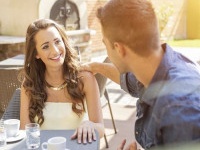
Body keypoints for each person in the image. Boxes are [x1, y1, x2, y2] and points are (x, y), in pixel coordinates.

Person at [81, 0, 200, 149]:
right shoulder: (156, 66)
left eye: (106, 45)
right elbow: (128, 80)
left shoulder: (178, 110)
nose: (107, 53)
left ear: (119, 49)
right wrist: (95, 67)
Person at [19, 18, 104, 144]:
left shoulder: (85, 79)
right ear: (36, 53)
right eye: (46, 46)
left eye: (57, 41)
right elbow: (24, 131)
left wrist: (90, 125)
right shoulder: (29, 84)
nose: (55, 51)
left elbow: (100, 129)